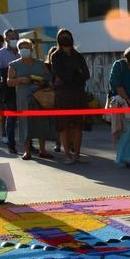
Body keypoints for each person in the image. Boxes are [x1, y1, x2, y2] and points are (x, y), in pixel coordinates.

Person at [7, 38, 56, 161]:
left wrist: (40, 81)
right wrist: (20, 80)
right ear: (19, 50)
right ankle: (27, 151)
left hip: (40, 97)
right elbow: (9, 82)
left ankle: (43, 150)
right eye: (22, 47)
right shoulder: (14, 65)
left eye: (27, 47)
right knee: (25, 124)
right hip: (24, 98)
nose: (25, 49)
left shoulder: (40, 64)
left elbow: (49, 78)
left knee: (42, 122)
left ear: (31, 49)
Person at [48, 28, 89, 164]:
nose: (65, 38)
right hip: (63, 94)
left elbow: (86, 75)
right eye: (62, 36)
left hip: (78, 94)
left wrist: (74, 74)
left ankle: (76, 154)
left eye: (67, 36)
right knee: (63, 126)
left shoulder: (78, 56)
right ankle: (67, 155)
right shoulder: (56, 56)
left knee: (78, 125)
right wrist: (76, 72)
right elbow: (62, 75)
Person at [0, 28, 21, 153]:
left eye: (16, 37)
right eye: (11, 37)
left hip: (23, 87)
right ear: (6, 39)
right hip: (8, 88)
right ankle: (11, 144)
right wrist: (12, 71)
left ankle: (28, 143)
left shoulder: (23, 51)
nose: (14, 40)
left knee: (26, 117)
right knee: (11, 117)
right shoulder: (0, 53)